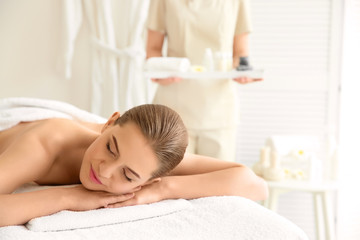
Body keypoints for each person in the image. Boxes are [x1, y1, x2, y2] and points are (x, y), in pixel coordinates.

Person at [0, 103, 267, 227]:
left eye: (127, 176)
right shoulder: (46, 143)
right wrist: (68, 196)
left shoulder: (149, 158)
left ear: (149, 179)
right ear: (109, 123)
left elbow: (254, 185)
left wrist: (162, 190)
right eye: (110, 148)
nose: (104, 170)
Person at [146, 0, 263, 162]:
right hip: (173, 106)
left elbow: (240, 53)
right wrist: (159, 72)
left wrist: (241, 71)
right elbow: (153, 49)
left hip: (219, 109)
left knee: (218, 183)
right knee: (171, 182)